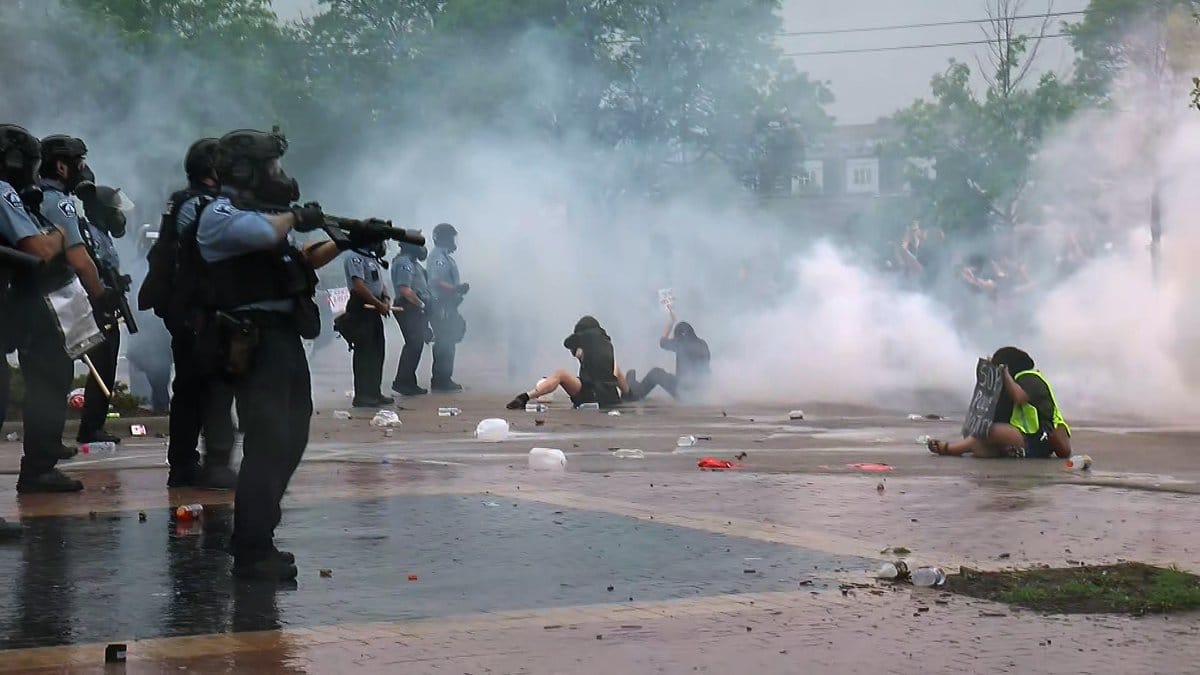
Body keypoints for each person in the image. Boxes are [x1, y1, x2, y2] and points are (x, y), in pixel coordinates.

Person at [196, 127, 342, 581]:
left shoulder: (267, 217)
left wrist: (346, 239)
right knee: (268, 440)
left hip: (282, 337)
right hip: (252, 342)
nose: (280, 173)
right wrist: (295, 216)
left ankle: (259, 531)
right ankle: (252, 548)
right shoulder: (221, 213)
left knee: (293, 435)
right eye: (272, 165)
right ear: (245, 169)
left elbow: (298, 260)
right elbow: (262, 233)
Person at [140, 138, 238, 489]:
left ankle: (184, 464)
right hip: (200, 308)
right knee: (214, 385)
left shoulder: (184, 200)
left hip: (188, 307)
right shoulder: (203, 203)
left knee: (190, 387)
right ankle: (213, 465)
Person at [0, 124, 92, 494]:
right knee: (47, 380)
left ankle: (40, 467)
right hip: (31, 305)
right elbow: (40, 249)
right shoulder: (4, 191)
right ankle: (39, 469)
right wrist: (57, 235)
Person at [927, 346, 1072, 459]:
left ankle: (949, 449)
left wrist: (1004, 374)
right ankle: (1012, 452)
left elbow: (1020, 397)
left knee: (990, 431)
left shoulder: (1030, 378)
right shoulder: (1017, 380)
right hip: (1027, 437)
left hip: (1039, 439)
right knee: (980, 448)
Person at [74, 181, 135, 445]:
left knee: (108, 366)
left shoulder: (101, 235)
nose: (118, 216)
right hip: (97, 308)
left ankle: (95, 425)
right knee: (101, 366)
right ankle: (90, 427)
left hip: (109, 306)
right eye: (114, 211)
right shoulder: (88, 234)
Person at [507, 316, 624, 410]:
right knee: (616, 369)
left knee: (561, 374)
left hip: (591, 394)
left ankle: (525, 396)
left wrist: (579, 348)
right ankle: (628, 392)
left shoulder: (587, 336)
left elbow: (567, 342)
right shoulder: (607, 342)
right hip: (610, 396)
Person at [342, 241, 393, 407]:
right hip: (362, 307)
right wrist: (378, 304)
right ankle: (362, 395)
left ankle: (374, 392)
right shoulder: (354, 257)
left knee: (377, 352)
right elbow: (359, 286)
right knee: (365, 353)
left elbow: (380, 284)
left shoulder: (371, 258)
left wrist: (385, 299)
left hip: (375, 308)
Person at [625, 309, 710, 402]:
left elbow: (662, 342)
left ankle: (637, 393)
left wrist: (671, 322)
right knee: (671, 376)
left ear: (679, 336)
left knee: (655, 373)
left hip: (684, 392)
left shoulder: (681, 343)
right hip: (700, 392)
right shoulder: (702, 344)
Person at [427, 223, 468, 392]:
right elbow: (435, 281)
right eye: (451, 238)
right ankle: (441, 380)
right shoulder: (439, 257)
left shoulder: (444, 256)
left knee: (449, 340)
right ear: (444, 238)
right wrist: (455, 289)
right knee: (444, 341)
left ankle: (444, 378)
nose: (453, 241)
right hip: (441, 305)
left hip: (448, 305)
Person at [390, 241, 432, 396]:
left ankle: (409, 382)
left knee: (417, 344)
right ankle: (402, 382)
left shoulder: (414, 264)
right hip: (408, 307)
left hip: (415, 307)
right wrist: (421, 304)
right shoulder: (404, 263)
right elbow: (405, 290)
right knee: (413, 344)